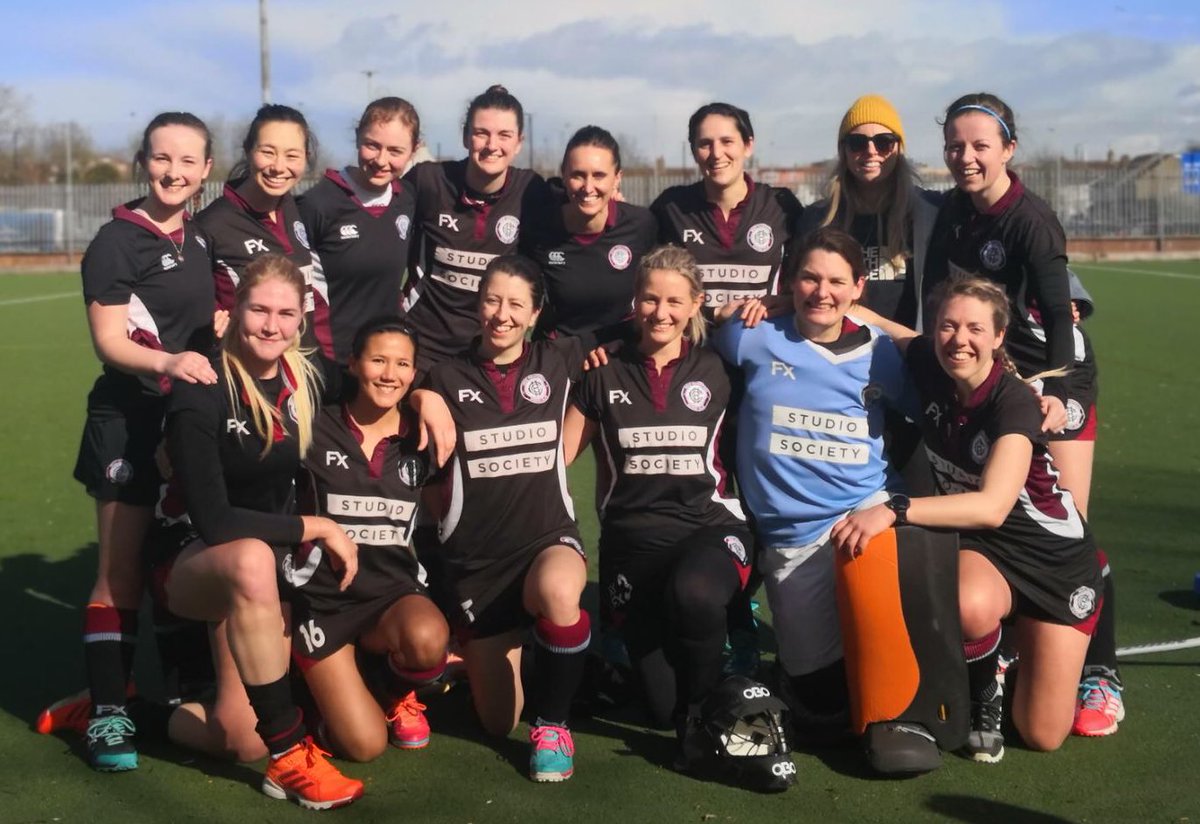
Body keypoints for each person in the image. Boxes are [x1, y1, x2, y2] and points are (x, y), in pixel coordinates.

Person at [830, 275, 1103, 762]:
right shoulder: (931, 364)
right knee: (967, 604)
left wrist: (893, 509)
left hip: (1055, 561)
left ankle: (1028, 653)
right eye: (948, 327)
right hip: (988, 548)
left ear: (999, 338)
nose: (959, 340)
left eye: (975, 329)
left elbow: (992, 505)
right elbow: (882, 324)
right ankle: (986, 687)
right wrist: (786, 302)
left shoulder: (1014, 400)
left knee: (1041, 735)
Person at [924, 91, 1122, 736]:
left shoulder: (1031, 219)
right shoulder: (952, 208)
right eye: (956, 145)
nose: (966, 157)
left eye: (981, 145)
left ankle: (1101, 675)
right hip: (991, 374)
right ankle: (1009, 653)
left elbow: (1064, 320)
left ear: (1009, 149)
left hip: (1049, 378)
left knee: (1067, 529)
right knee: (1001, 514)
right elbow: (936, 298)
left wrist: (1059, 395)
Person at [151, 254, 364, 809]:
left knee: (237, 738)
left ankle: (140, 714)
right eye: (259, 310)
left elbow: (376, 376)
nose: (272, 326)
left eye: (286, 313)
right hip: (196, 560)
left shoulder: (306, 374)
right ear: (232, 310)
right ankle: (290, 756)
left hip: (265, 569)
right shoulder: (202, 384)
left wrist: (427, 396)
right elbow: (215, 522)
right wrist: (317, 526)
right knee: (250, 559)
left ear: (301, 318)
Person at [43, 112, 218, 772]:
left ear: (206, 171)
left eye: (188, 161)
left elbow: (203, 322)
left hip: (183, 426)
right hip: (128, 421)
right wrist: (171, 364)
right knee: (118, 572)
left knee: (173, 559)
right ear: (143, 161)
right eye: (161, 158)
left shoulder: (198, 240)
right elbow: (110, 342)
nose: (173, 171)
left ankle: (176, 687)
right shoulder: (118, 239)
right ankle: (110, 712)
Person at [710, 227, 918, 736]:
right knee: (820, 702)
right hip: (791, 540)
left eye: (835, 281)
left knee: (880, 686)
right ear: (790, 282)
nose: (821, 292)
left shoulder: (879, 353)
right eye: (808, 278)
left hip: (864, 519)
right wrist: (740, 308)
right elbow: (690, 329)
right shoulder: (752, 336)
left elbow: (929, 408)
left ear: (858, 287)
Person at [561, 244, 752, 769]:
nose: (661, 312)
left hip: (709, 527)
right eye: (649, 299)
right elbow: (557, 458)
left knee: (693, 594)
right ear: (634, 300)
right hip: (631, 542)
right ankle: (695, 691)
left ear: (696, 304)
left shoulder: (723, 366)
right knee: (656, 707)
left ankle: (705, 716)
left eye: (674, 301)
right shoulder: (602, 370)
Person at [415, 255, 590, 782]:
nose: (502, 314)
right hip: (478, 567)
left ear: (536, 313)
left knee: (560, 592)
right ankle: (503, 653)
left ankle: (554, 725)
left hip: (545, 541)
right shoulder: (443, 376)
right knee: (494, 722)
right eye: (492, 300)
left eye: (516, 304)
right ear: (477, 303)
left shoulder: (562, 359)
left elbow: (651, 324)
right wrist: (423, 393)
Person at [291, 315, 450, 759]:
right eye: (378, 360)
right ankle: (307, 691)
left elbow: (444, 517)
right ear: (354, 363)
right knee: (364, 746)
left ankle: (390, 687)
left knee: (427, 638)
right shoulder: (314, 427)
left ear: (415, 374)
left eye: (402, 365)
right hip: (323, 602)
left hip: (391, 597)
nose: (389, 374)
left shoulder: (422, 437)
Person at [401, 85, 548, 376]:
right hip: (424, 350)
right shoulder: (429, 181)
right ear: (466, 136)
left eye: (504, 135)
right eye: (482, 133)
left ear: (519, 142)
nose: (492, 145)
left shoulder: (533, 191)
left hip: (491, 352)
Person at [798, 94, 941, 330]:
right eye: (857, 142)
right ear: (843, 150)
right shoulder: (818, 219)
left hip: (906, 357)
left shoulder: (928, 213)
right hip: (838, 357)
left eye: (884, 141)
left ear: (898, 149)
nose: (871, 151)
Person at [195, 104, 330, 354]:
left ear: (305, 157)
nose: (278, 167)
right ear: (248, 150)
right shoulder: (212, 224)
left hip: (305, 375)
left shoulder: (296, 209)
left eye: (292, 156)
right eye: (268, 152)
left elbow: (314, 300)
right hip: (246, 378)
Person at [297, 98, 419, 363]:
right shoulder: (318, 204)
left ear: (414, 151)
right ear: (357, 138)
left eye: (395, 151)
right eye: (372, 145)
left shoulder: (408, 199)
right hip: (331, 361)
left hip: (385, 361)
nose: (381, 160)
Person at [651, 102, 802, 313]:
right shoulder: (671, 207)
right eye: (705, 144)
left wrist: (789, 301)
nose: (716, 153)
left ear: (748, 146)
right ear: (694, 152)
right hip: (693, 342)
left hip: (759, 339)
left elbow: (809, 276)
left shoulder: (780, 205)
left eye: (727, 141)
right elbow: (645, 285)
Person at [522, 126, 657, 342]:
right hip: (560, 355)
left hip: (620, 355)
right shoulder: (539, 228)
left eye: (599, 175)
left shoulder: (642, 225)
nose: (588, 186)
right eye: (578, 175)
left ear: (617, 178)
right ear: (564, 175)